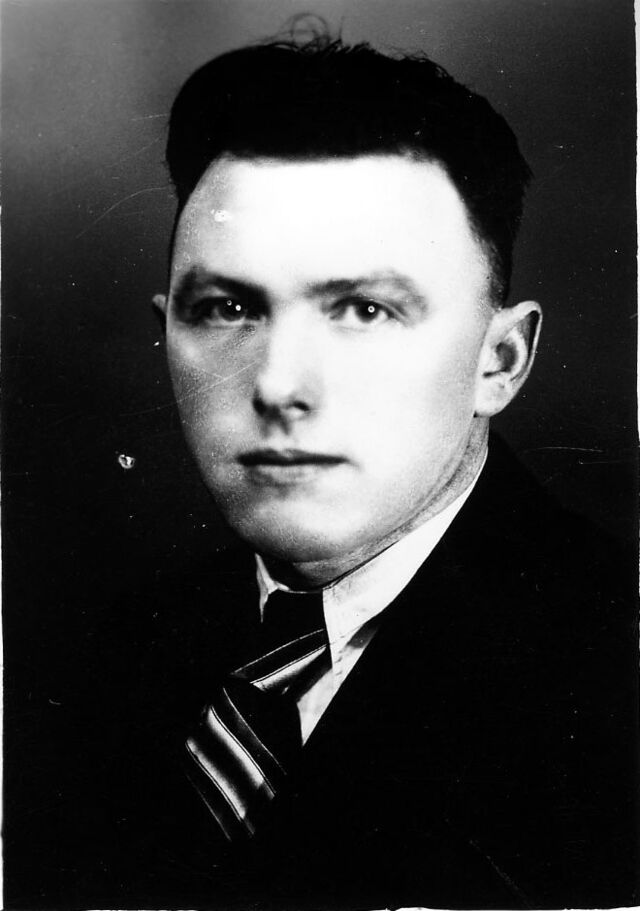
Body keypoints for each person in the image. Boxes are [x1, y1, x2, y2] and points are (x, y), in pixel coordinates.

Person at [12, 35, 637, 911]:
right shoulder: (116, 656)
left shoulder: (614, 677)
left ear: (499, 360)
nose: (278, 385)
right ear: (166, 333)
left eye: (365, 309)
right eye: (227, 307)